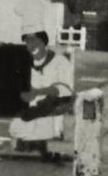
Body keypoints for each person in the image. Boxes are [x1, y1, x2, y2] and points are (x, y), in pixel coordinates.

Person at [10, 28, 75, 159]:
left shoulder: (59, 61)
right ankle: (27, 143)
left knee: (42, 109)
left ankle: (39, 144)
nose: (31, 46)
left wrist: (39, 92)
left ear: (44, 42)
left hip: (54, 103)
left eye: (35, 42)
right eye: (28, 42)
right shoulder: (24, 63)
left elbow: (65, 89)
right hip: (33, 104)